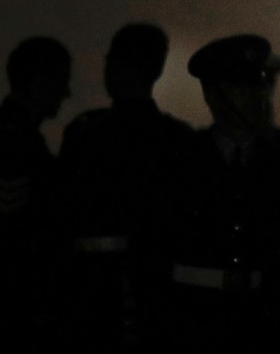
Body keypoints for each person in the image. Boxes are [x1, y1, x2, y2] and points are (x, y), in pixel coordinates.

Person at [162, 34, 280, 352]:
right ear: (212, 94)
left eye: (259, 85)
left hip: (267, 326)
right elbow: (153, 254)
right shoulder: (178, 160)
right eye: (242, 86)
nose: (256, 95)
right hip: (193, 323)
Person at [50, 23, 195, 352]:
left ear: (117, 64)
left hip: (88, 292)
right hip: (156, 292)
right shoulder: (178, 139)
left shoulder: (86, 132)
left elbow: (58, 215)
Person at [0, 36, 72, 352]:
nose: (66, 93)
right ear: (39, 82)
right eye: (61, 81)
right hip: (6, 304)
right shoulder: (14, 142)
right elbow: (10, 234)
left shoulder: (14, 135)